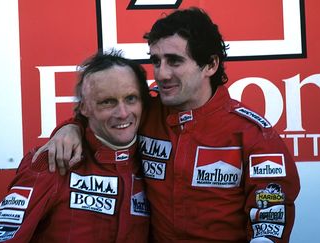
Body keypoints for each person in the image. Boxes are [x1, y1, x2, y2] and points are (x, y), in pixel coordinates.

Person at [36, 7, 300, 243]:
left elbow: (271, 213)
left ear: (210, 64)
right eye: (156, 61)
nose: (161, 73)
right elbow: (101, 116)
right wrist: (71, 127)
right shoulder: (145, 112)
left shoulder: (253, 134)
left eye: (174, 61)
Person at [0, 50, 151, 242]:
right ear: (84, 108)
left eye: (131, 98)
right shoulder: (53, 160)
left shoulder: (157, 162)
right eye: (107, 102)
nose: (122, 113)